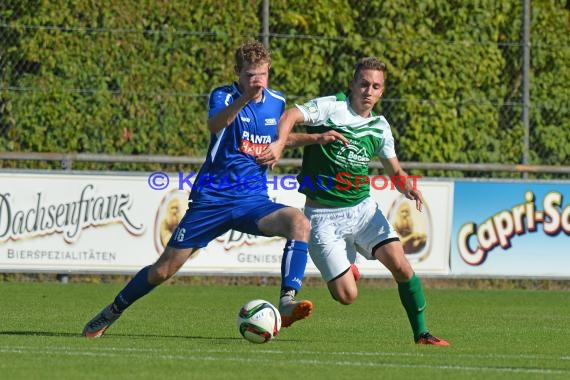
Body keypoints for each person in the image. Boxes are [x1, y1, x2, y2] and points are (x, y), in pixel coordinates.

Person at [82, 41, 313, 338]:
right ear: (237, 73)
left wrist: (308, 141)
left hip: (252, 201)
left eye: (262, 75)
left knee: (298, 222)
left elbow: (280, 137)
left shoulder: (276, 101)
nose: (257, 82)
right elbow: (216, 124)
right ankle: (111, 311)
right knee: (163, 271)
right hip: (212, 200)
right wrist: (244, 98)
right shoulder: (223, 95)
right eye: (250, 76)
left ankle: (286, 301)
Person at [264, 57, 449, 346]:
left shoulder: (380, 127)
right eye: (363, 84)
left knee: (401, 266)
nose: (369, 91)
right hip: (322, 218)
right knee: (347, 297)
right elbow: (288, 116)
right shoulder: (331, 107)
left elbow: (395, 171)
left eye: (376, 86)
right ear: (352, 84)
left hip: (363, 211)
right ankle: (348, 268)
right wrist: (279, 144)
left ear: (382, 91)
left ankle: (422, 333)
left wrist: (407, 188)